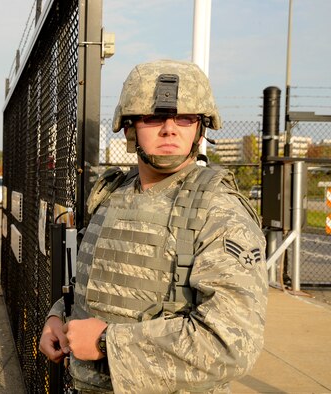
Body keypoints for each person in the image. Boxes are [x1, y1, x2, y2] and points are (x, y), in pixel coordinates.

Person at [39, 59, 268, 393]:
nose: (169, 128)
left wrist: (105, 343)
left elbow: (231, 345)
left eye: (185, 118)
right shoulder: (113, 194)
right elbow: (93, 285)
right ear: (130, 127)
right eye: (154, 117)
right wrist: (58, 319)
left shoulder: (218, 210)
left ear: (199, 128)